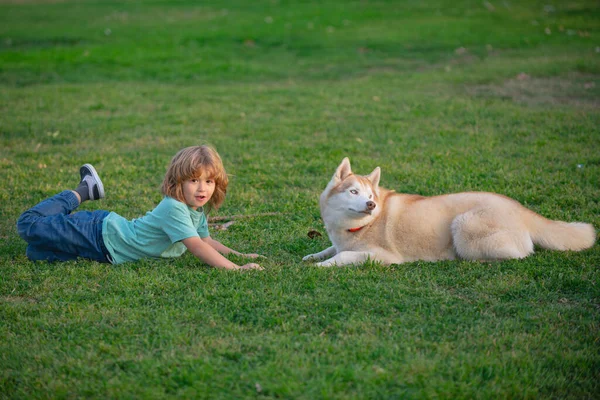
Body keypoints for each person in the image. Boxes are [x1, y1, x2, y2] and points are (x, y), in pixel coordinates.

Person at [16, 145, 263, 270]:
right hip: (98, 233)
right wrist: (236, 270)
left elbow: (206, 241)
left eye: (209, 181)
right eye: (194, 180)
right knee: (28, 224)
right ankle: (84, 190)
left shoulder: (194, 209)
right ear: (178, 181)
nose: (202, 189)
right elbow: (197, 247)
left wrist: (240, 256)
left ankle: (51, 236)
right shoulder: (174, 208)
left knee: (35, 252)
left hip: (105, 252)